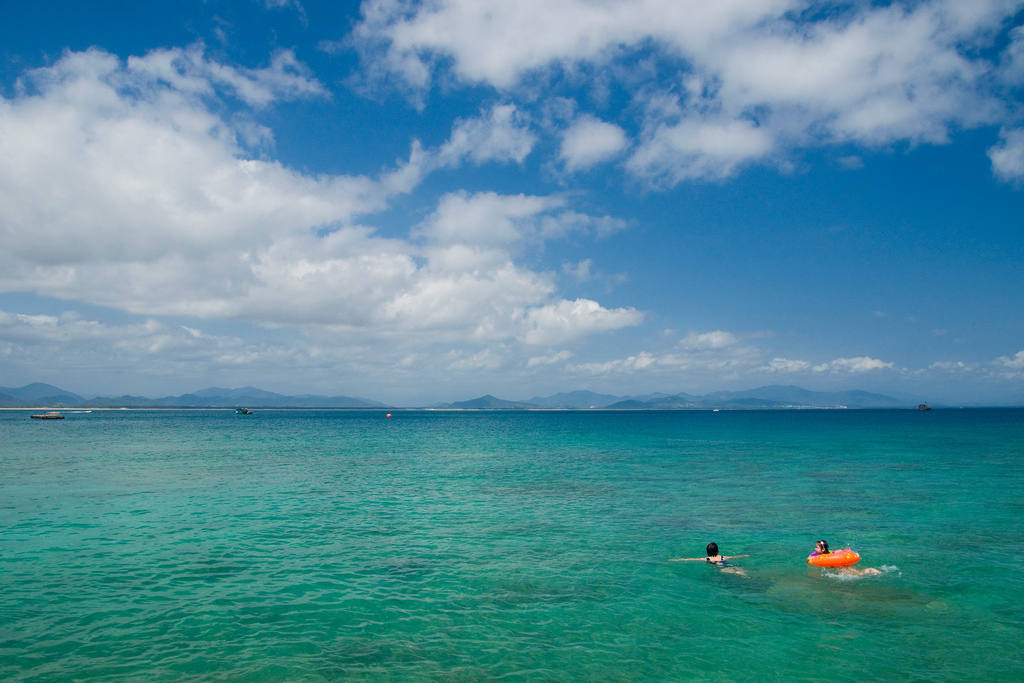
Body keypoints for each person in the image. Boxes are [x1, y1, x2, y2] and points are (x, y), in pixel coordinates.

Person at [671, 542, 749, 576]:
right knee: (739, 571)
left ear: (707, 553)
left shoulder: (707, 559)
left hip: (722, 568)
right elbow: (734, 557)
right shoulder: (723, 557)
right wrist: (745, 555)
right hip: (730, 565)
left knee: (735, 574)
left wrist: (678, 560)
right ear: (718, 551)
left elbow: (692, 559)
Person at [811, 539, 881, 576]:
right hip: (842, 564)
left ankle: (870, 570)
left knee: (859, 574)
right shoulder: (829, 552)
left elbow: (809, 559)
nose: (815, 549)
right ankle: (872, 570)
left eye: (816, 547)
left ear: (822, 550)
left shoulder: (821, 555)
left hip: (841, 568)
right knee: (856, 572)